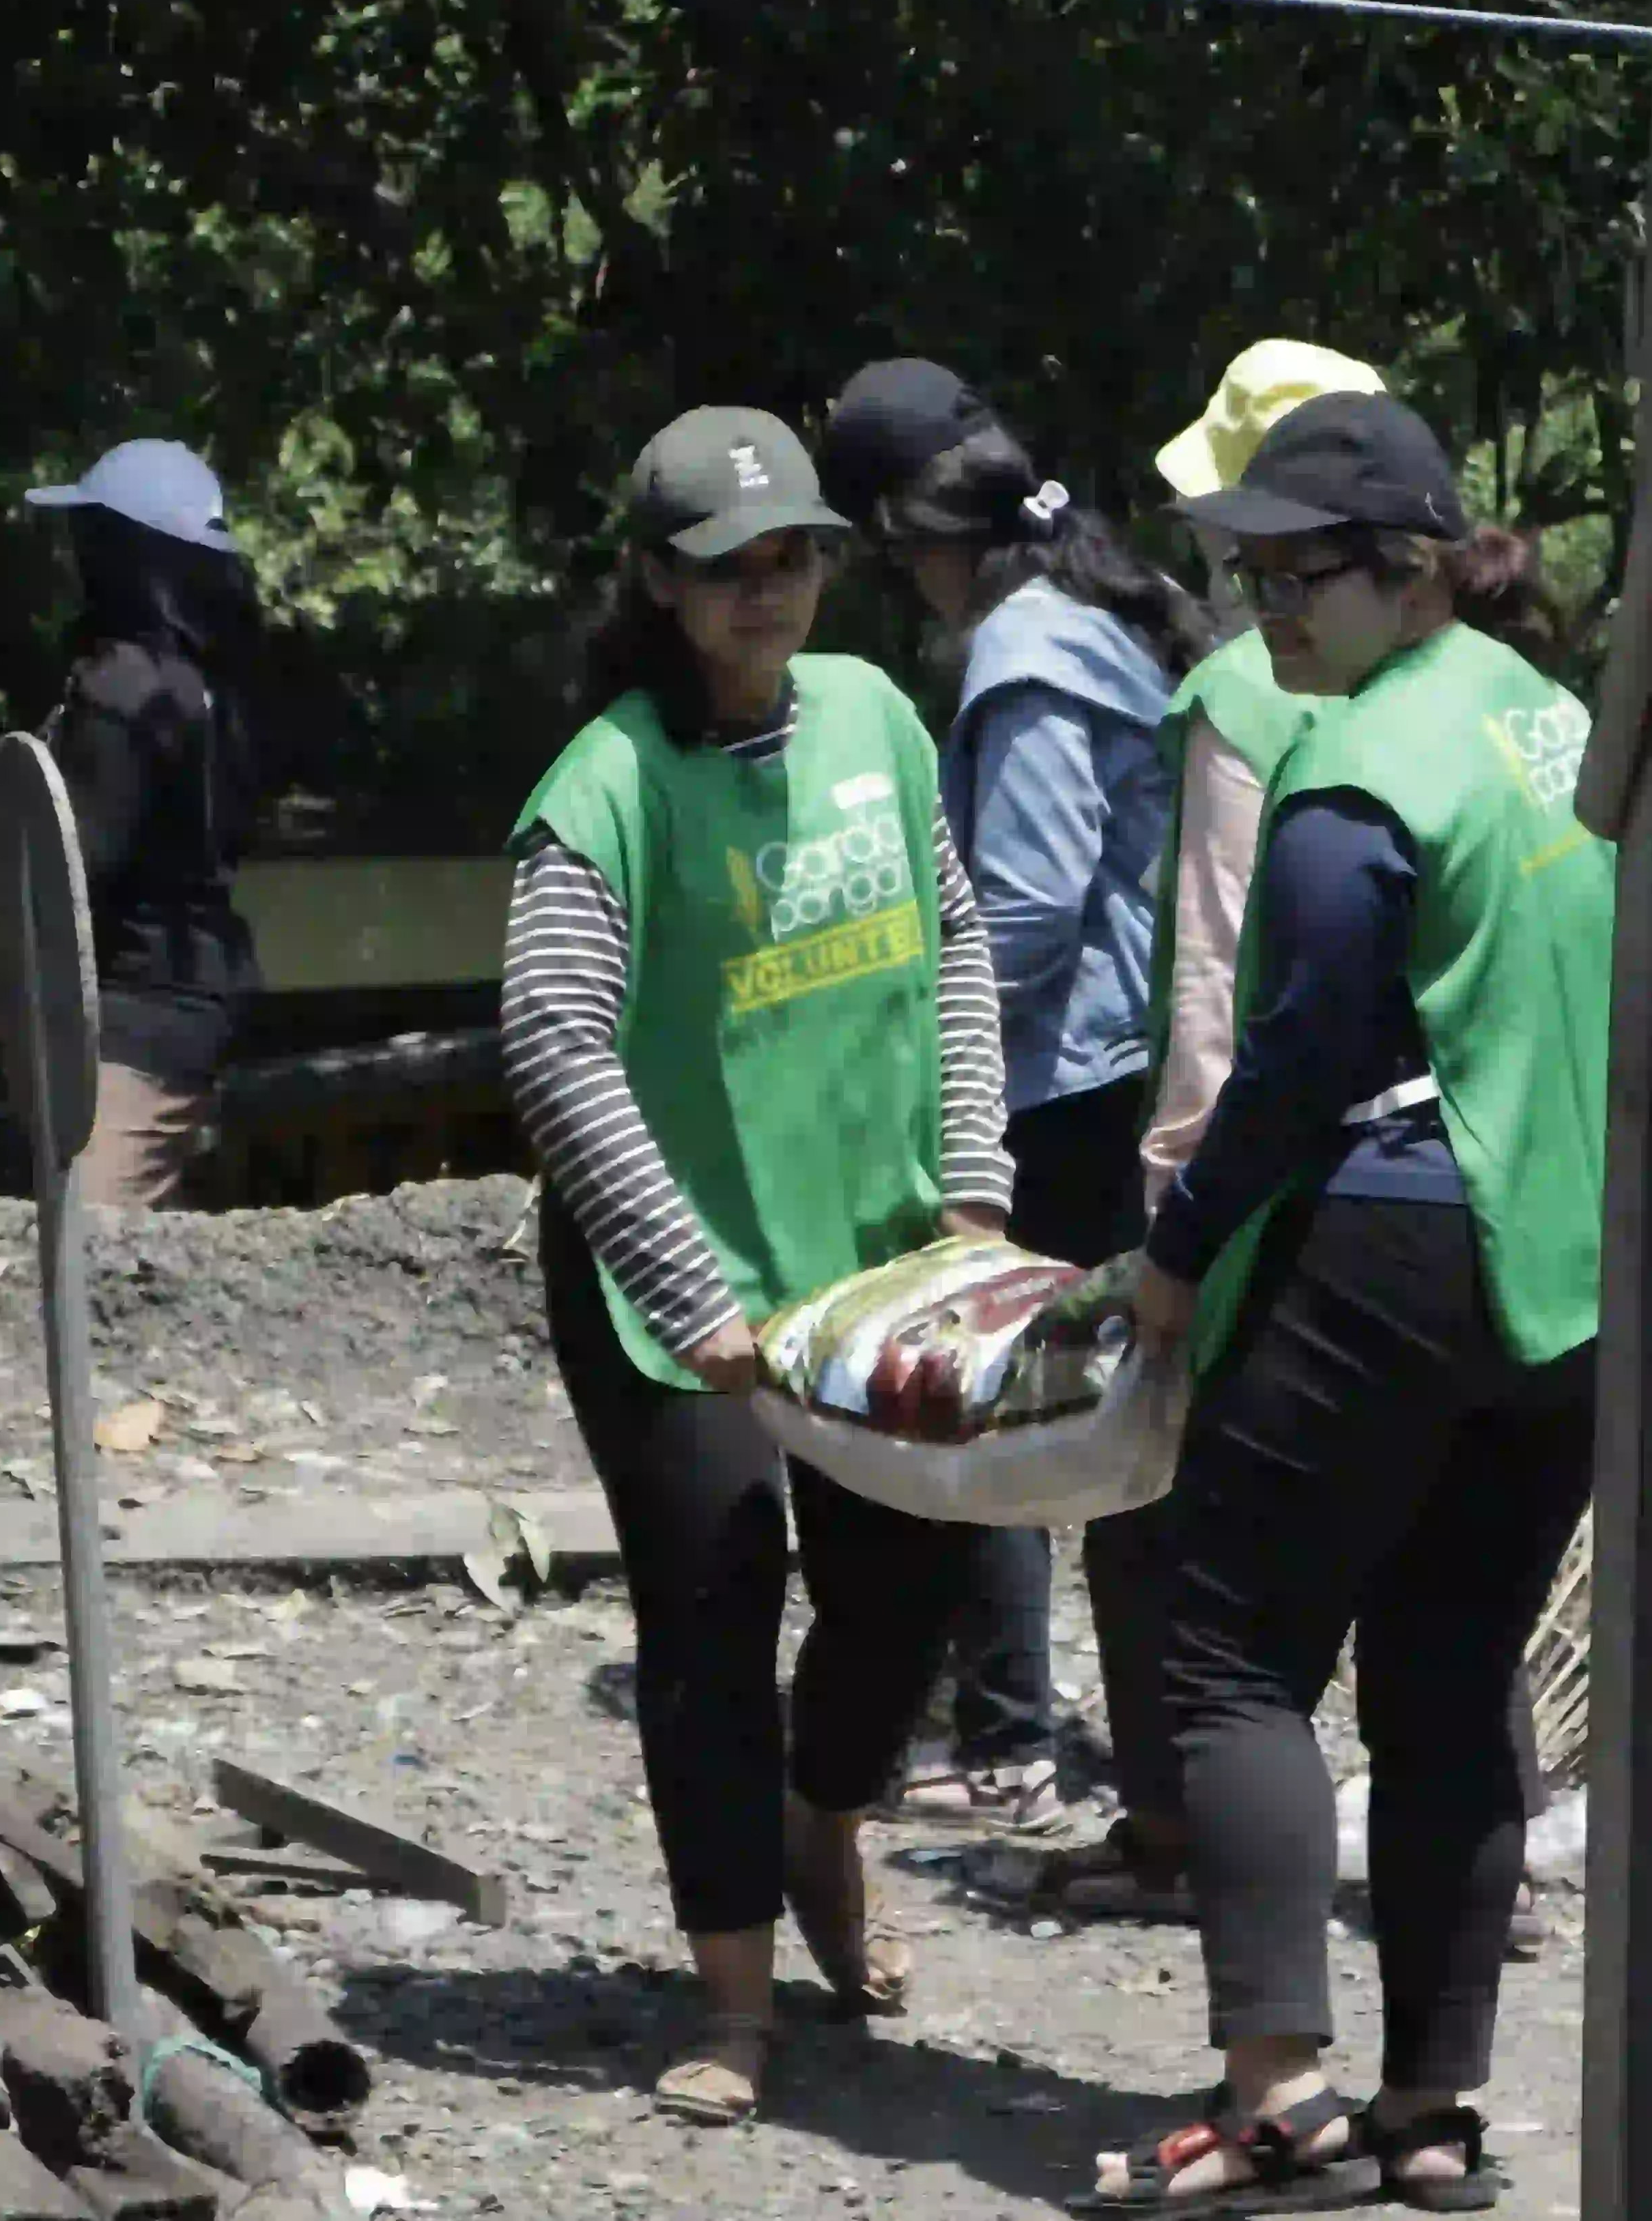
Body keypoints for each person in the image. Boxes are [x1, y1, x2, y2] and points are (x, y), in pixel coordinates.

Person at [1085, 394, 1610, 2212]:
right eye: (1249, 579)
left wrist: (1175, 1254)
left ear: (1413, 572)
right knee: (1452, 1671)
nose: (1265, 615)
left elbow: (1296, 1063)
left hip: (1396, 1245)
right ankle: (1431, 2112)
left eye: (1297, 577)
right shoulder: (1554, 722)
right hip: (1571, 1277)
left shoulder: (1356, 773)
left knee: (1229, 1651)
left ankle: (1277, 2100)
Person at [499, 403, 1015, 2128]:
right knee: (714, 1608)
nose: (767, 590)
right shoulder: (604, 789)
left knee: (909, 1585)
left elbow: (953, 938)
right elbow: (555, 1045)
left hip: (876, 1258)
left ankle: (824, 1819)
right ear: (658, 579)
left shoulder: (875, 716)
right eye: (728, 566)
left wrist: (977, 1185)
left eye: (793, 556)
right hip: (680, 1289)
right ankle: (733, 2000)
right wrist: (684, 1287)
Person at [816, 358, 1216, 1839]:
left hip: (1061, 1088)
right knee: (1098, 1408)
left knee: (998, 1396)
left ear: (916, 533)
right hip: (1117, 1072)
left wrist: (919, 1059)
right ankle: (1077, 1743)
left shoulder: (1029, 650)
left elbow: (1030, 908)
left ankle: (1005, 1739)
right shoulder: (1102, 611)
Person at [1022, 339, 1389, 1924]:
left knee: (1152, 1505)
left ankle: (1176, 1831)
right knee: (1422, 1522)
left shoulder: (1238, 692)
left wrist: (1176, 1221)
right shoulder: (1476, 685)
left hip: (1264, 1157)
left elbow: (1214, 970)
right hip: (1432, 1166)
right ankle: (1475, 1845)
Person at [0, 438, 273, 1209]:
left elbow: (66, 884)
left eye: (89, 534)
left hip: (134, 1027)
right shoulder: (209, 688)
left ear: (121, 554)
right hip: (197, 1010)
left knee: (89, 1255)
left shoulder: (123, 692)